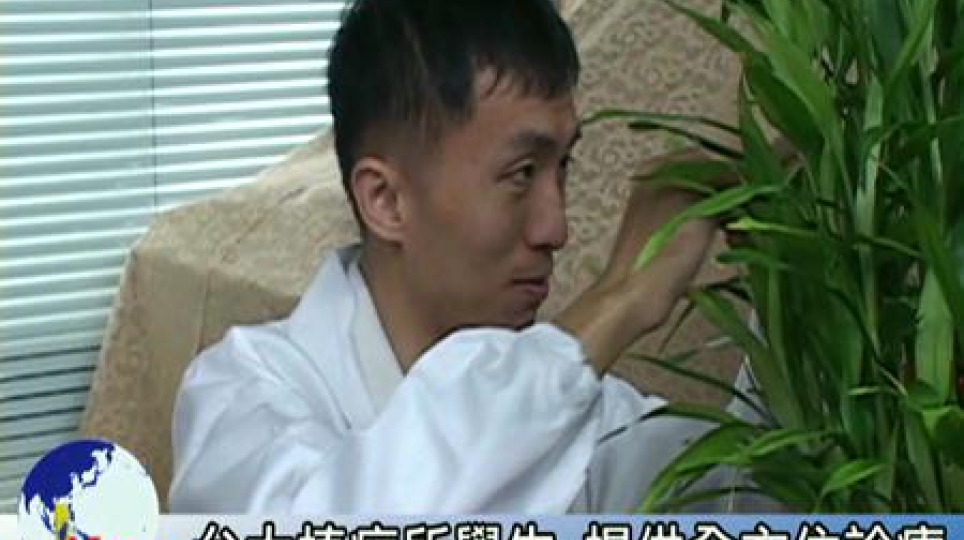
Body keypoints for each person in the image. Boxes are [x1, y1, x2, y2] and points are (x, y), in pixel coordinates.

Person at [168, 0, 758, 513]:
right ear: (386, 200)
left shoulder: (587, 413)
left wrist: (791, 290)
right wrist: (621, 298)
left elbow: (754, 497)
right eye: (521, 173)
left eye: (562, 168)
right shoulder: (241, 399)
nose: (556, 228)